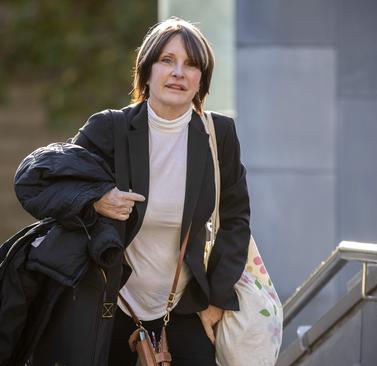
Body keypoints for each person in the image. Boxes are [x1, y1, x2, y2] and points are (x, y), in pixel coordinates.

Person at [72, 17, 250, 365]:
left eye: (191, 64)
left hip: (184, 304)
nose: (179, 73)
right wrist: (95, 198)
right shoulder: (111, 128)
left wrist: (216, 300)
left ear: (202, 79)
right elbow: (57, 179)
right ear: (147, 70)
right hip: (111, 302)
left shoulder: (220, 135)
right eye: (167, 61)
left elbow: (236, 218)